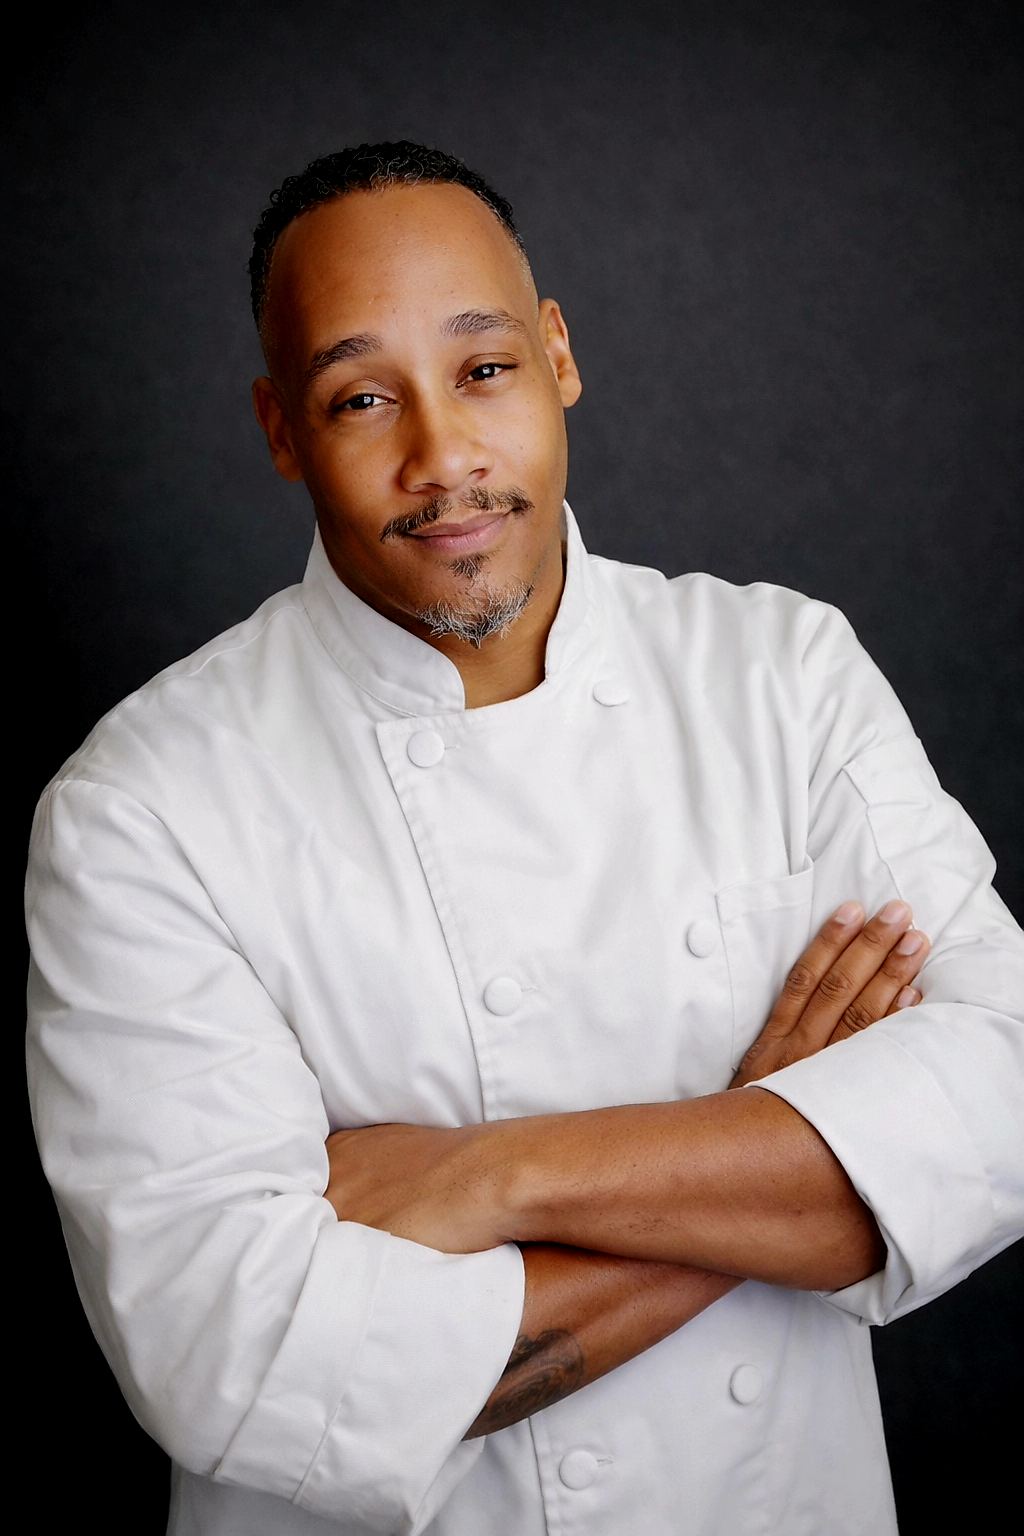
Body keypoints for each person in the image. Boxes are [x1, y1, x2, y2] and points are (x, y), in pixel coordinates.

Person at [26, 142, 1024, 1536]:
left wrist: (484, 1174)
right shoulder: (145, 805)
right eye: (361, 397)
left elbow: (1002, 1102)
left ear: (557, 356)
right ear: (279, 430)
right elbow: (232, 1359)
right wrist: (774, 1145)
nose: (443, 459)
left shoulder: (781, 674)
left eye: (483, 368)